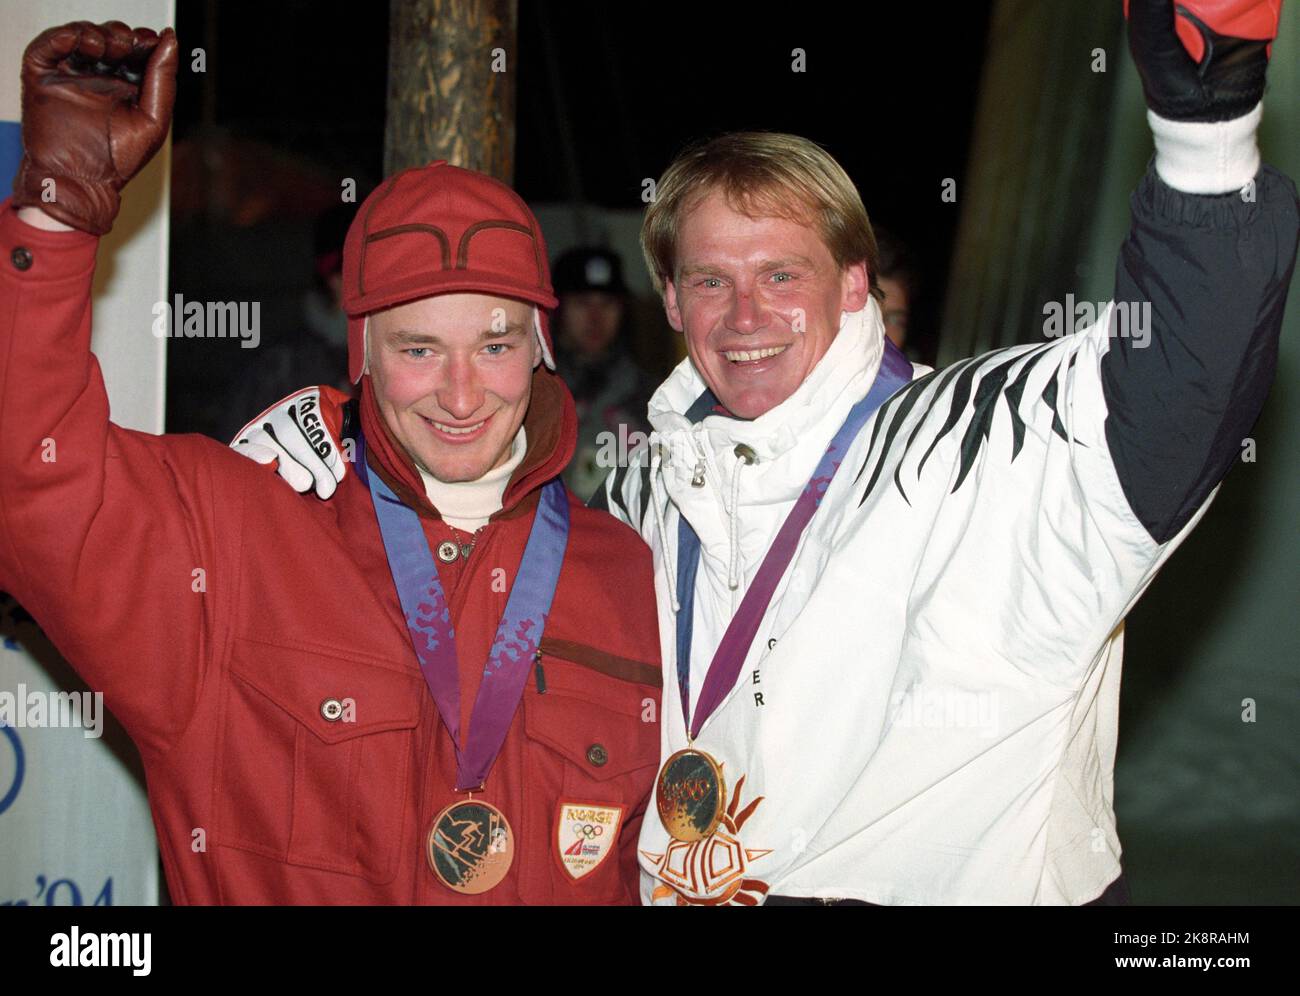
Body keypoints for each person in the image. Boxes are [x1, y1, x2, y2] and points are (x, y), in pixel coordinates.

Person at [239, 0, 1297, 904]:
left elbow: (1180, 377)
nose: (745, 313)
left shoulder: (981, 442)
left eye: (782, 275)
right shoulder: (653, 485)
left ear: (853, 283)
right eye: (709, 279)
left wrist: (1205, 131)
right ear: (669, 299)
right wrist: (334, 477)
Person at [0, 19, 661, 904]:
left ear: (539, 344)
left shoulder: (631, 576)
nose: (461, 396)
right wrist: (58, 207)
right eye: (419, 349)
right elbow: (30, 472)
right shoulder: (230, 538)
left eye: (496, 345)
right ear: (359, 356)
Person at [550, 247, 655, 500]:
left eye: (607, 304)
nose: (595, 318)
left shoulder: (654, 399)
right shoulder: (534, 394)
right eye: (582, 304)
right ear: (559, 310)